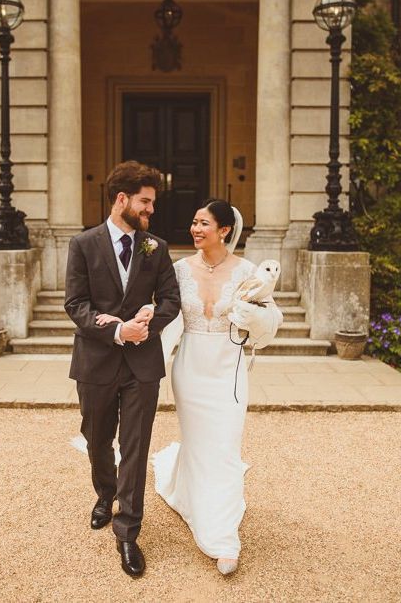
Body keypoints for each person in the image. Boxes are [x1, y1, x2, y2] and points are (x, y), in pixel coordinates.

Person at [152, 199, 283, 576]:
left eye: (203, 223)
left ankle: (222, 534)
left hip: (229, 363)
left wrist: (251, 316)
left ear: (224, 230)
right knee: (196, 440)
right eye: (193, 222)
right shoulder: (177, 269)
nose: (195, 229)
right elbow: (163, 311)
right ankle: (194, 498)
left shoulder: (248, 271)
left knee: (225, 442)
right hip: (190, 364)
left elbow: (270, 318)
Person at [64, 160, 180, 578]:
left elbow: (170, 299)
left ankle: (127, 532)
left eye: (151, 203)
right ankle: (104, 493)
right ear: (121, 199)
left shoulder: (157, 247)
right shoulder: (83, 245)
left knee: (135, 446)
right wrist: (116, 331)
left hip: (142, 366)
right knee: (97, 437)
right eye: (145, 202)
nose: (150, 211)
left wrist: (149, 322)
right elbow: (76, 305)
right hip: (96, 361)